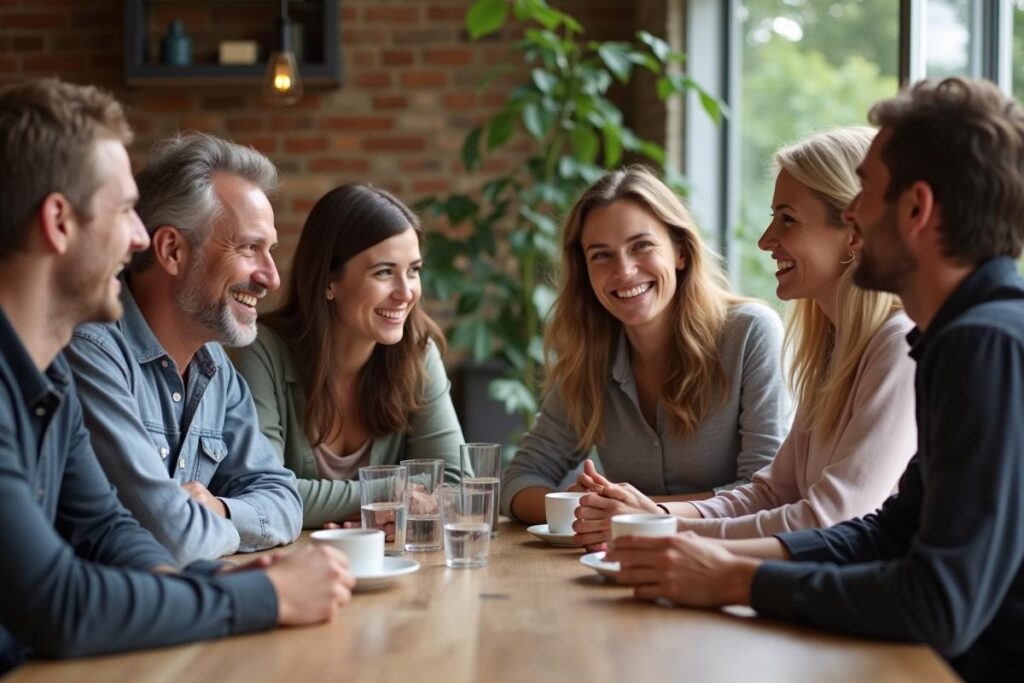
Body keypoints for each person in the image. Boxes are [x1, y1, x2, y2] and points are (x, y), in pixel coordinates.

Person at [607, 77, 1024, 682]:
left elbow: (940, 605)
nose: (853, 214)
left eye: (869, 192)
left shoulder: (983, 344)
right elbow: (890, 531)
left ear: (916, 209)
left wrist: (732, 577)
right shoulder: (954, 338)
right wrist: (693, 552)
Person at [0, 78, 353, 675]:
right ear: (59, 222)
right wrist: (263, 596)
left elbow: (109, 530)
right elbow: (59, 603)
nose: (136, 237)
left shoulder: (48, 374)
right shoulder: (61, 362)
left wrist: (204, 582)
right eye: (121, 213)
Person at [573, 128, 916, 544]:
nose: (766, 239)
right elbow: (773, 493)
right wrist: (656, 513)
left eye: (787, 219)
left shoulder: (899, 346)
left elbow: (831, 519)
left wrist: (665, 525)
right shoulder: (835, 349)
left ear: (853, 232)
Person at [502, 166, 792, 524]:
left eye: (642, 246)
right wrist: (586, 510)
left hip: (728, 562)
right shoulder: (590, 355)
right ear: (586, 271)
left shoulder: (751, 334)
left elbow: (768, 491)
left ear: (680, 252)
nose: (624, 271)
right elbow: (519, 480)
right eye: (601, 255)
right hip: (620, 563)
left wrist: (644, 513)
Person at [64, 132, 302, 564]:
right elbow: (174, 539)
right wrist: (234, 525)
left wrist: (220, 508)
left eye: (270, 251)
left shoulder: (214, 366)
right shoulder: (92, 350)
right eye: (249, 248)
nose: (271, 277)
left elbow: (285, 502)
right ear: (172, 250)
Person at [231, 184, 464, 528]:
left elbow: (456, 487)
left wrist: (364, 516)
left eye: (413, 270)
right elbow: (260, 495)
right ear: (328, 280)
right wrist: (389, 496)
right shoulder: (262, 350)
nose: (405, 292)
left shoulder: (417, 352)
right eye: (384, 272)